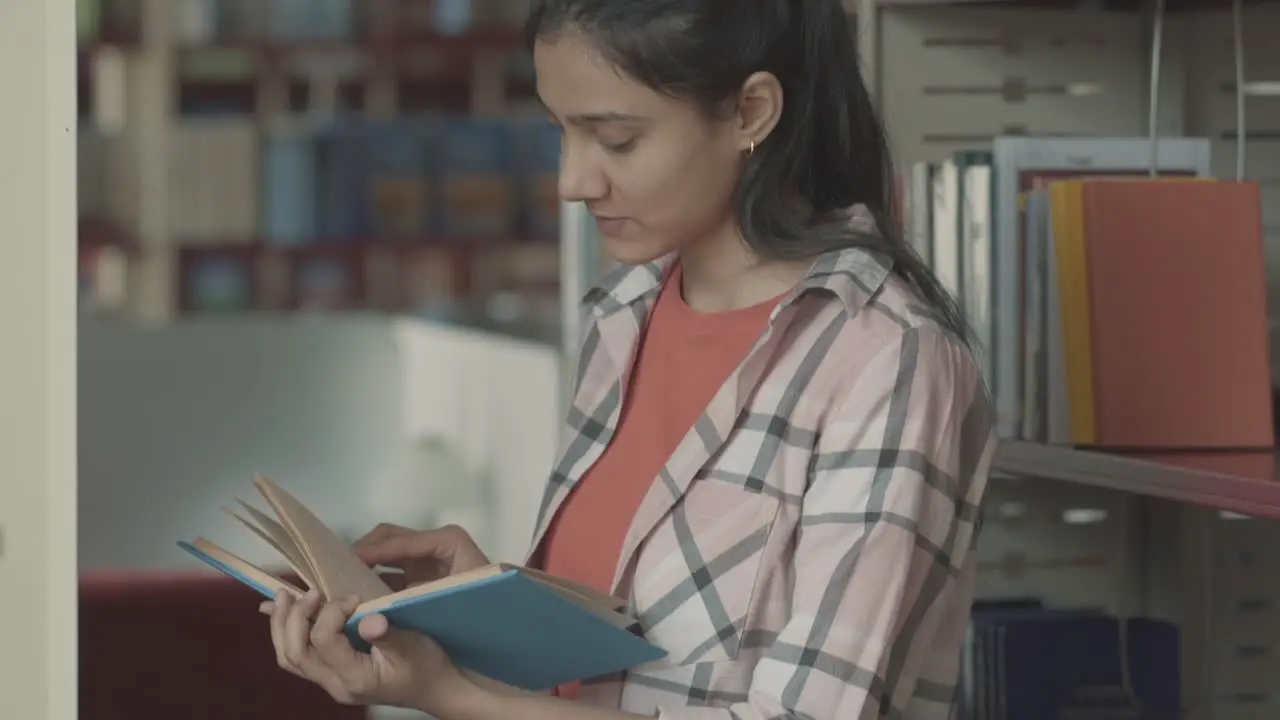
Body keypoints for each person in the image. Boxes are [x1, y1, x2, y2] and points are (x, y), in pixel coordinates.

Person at [260, 0, 997, 718]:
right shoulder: (624, 317)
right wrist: (484, 617)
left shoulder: (888, 361)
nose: (573, 182)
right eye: (560, 133)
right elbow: (615, 680)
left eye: (614, 140)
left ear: (750, 112)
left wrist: (450, 694)